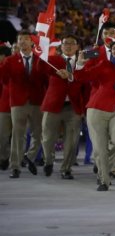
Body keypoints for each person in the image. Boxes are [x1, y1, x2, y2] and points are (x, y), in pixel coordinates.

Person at [73, 41, 115, 190]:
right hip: (97, 109)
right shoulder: (104, 64)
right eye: (113, 48)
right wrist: (79, 64)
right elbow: (82, 77)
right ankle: (104, 180)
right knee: (100, 149)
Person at [0, 31, 48, 178]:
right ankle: (15, 166)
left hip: (36, 101)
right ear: (17, 42)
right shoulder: (10, 60)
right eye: (20, 39)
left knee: (38, 133)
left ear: (32, 42)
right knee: (17, 134)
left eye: (26, 39)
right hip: (18, 102)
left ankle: (30, 157)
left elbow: (46, 81)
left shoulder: (41, 60)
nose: (22, 41)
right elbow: (3, 79)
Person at [41, 34, 86, 179]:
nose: (68, 46)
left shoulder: (83, 62)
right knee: (47, 138)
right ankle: (48, 161)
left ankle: (66, 169)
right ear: (61, 46)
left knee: (72, 141)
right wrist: (42, 49)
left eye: (72, 43)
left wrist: (84, 108)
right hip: (53, 105)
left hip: (73, 107)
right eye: (65, 43)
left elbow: (86, 84)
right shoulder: (53, 60)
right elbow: (41, 69)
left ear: (78, 46)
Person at [0, 45, 13, 171]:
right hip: (4, 107)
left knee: (17, 136)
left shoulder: (14, 66)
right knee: (3, 136)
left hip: (18, 105)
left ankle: (15, 159)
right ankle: (3, 158)